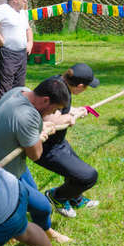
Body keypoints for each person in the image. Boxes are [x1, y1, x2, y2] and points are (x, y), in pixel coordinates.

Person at [0, 77, 72, 243]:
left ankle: (44, 229)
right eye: (53, 110)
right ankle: (14, 231)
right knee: (42, 206)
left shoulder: (19, 91)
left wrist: (42, 127)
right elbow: (35, 154)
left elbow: (29, 126)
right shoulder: (27, 116)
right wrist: (38, 136)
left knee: (33, 196)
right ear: (45, 100)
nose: (52, 114)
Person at [40, 64, 100, 218]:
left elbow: (60, 108)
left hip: (58, 143)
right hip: (45, 147)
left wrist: (74, 110)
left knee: (77, 170)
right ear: (80, 86)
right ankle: (57, 196)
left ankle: (75, 198)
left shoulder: (59, 81)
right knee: (88, 176)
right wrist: (67, 118)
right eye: (87, 87)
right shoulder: (56, 89)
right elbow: (47, 120)